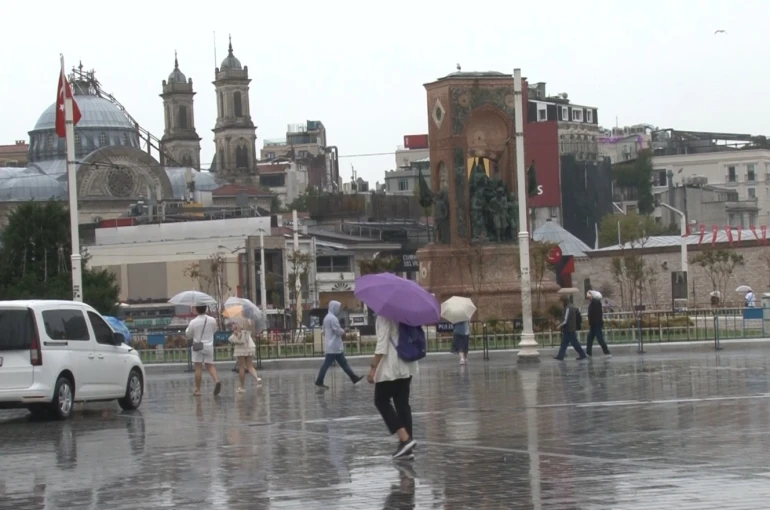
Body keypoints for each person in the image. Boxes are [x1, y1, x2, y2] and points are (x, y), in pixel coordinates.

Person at [368, 315, 419, 460]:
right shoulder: (406, 313)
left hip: (391, 366)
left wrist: (373, 369)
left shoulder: (384, 315)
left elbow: (382, 345)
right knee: (402, 403)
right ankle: (407, 448)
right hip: (407, 363)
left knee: (381, 401)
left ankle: (404, 438)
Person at [315, 301, 364, 389]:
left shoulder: (326, 318)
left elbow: (323, 331)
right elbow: (337, 330)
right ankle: (319, 381)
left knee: (343, 363)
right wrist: (344, 331)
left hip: (333, 346)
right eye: (338, 308)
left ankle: (354, 378)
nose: (339, 310)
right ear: (334, 308)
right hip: (334, 346)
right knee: (326, 365)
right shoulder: (333, 318)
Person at [186, 305, 221, 396]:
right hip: (209, 346)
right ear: (205, 309)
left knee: (198, 367)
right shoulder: (212, 320)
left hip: (198, 346)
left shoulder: (193, 322)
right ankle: (216, 380)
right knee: (210, 365)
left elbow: (188, 335)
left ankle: (198, 390)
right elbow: (214, 330)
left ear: (196, 310)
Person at [229, 321, 262, 393]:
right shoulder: (249, 321)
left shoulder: (238, 322)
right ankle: (257, 378)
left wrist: (235, 330)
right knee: (250, 366)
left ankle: (242, 387)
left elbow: (238, 334)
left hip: (241, 347)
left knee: (241, 367)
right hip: (250, 345)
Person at [553, 296, 587, 361]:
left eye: (561, 302)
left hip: (569, 328)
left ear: (564, 301)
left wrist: (560, 325)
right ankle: (560, 356)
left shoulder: (568, 308)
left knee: (573, 343)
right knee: (565, 343)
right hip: (570, 328)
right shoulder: (570, 307)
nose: (560, 304)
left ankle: (582, 355)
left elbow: (566, 319)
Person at [585, 292, 611, 358]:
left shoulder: (597, 303)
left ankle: (607, 352)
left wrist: (592, 295)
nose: (588, 297)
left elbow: (595, 301)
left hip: (597, 324)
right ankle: (588, 353)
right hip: (593, 324)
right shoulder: (592, 303)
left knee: (600, 339)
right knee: (589, 338)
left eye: (590, 296)